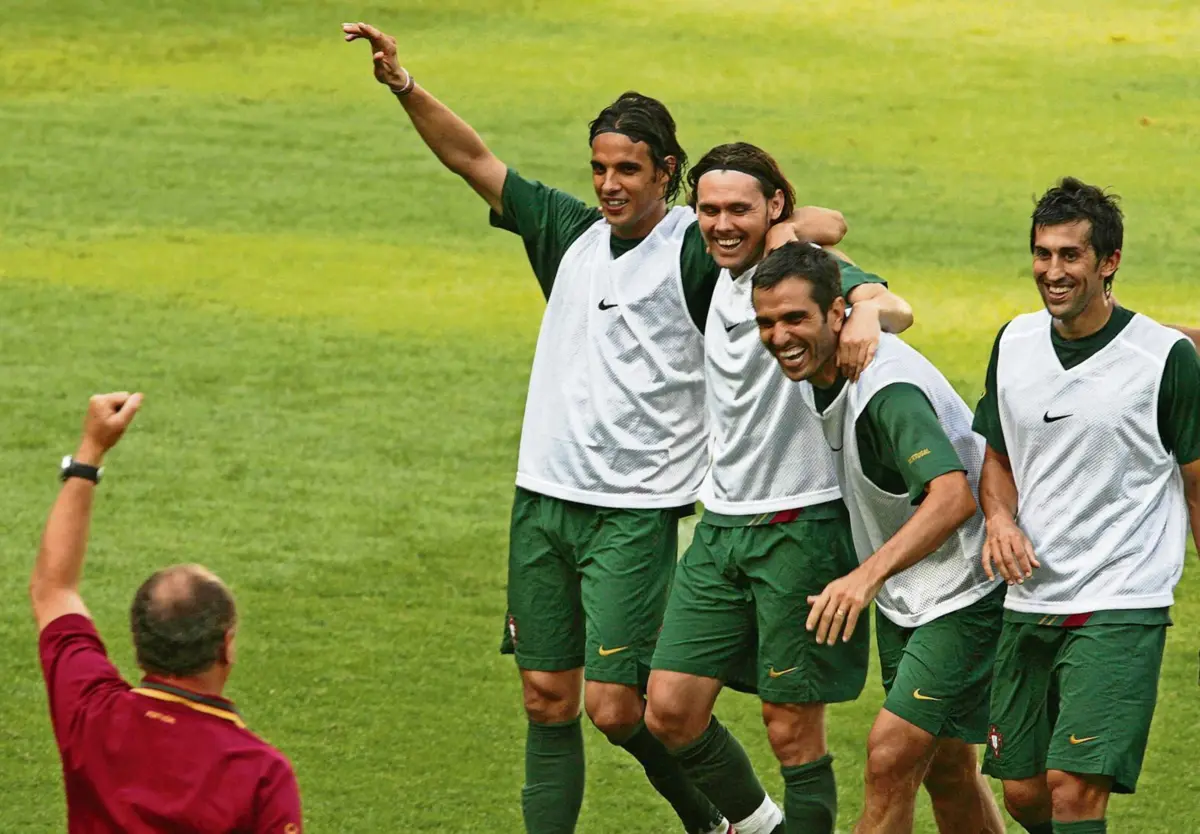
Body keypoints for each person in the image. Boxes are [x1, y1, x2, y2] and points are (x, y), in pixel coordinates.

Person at [343, 25, 847, 834]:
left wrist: (801, 238)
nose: (610, 184)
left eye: (628, 169)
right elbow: (472, 159)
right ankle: (714, 826)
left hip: (634, 509)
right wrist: (403, 84)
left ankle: (740, 823)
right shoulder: (570, 234)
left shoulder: (694, 248)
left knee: (616, 707)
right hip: (542, 498)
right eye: (600, 168)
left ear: (667, 173)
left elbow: (805, 224)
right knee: (546, 699)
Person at [644, 143, 913, 834]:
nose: (721, 223)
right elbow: (829, 217)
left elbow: (894, 306)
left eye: (739, 209)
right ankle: (763, 827)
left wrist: (863, 312)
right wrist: (795, 223)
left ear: (773, 206)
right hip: (721, 524)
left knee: (791, 728)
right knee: (669, 710)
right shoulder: (716, 264)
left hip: (802, 524)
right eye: (709, 209)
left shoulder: (797, 270)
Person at [750, 241, 1006, 834]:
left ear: (835, 313)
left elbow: (952, 496)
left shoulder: (886, 391)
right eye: (766, 322)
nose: (780, 336)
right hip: (913, 591)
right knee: (947, 769)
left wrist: (864, 577)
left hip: (965, 589)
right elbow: (810, 232)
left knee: (890, 758)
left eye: (795, 319)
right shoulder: (825, 356)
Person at [972, 177, 1200, 834]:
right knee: (1025, 794)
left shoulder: (1163, 359)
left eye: (1070, 255)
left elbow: (1197, 486)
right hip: (1030, 598)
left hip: (1122, 600)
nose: (1053, 271)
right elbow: (998, 457)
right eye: (1043, 254)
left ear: (1109, 262)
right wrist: (1000, 518)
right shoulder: (1014, 342)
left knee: (1073, 791)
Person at [31, 393, 302, 833]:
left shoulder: (93, 713)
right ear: (227, 647)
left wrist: (90, 450)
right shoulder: (261, 774)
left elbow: (53, 590)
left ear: (140, 643)